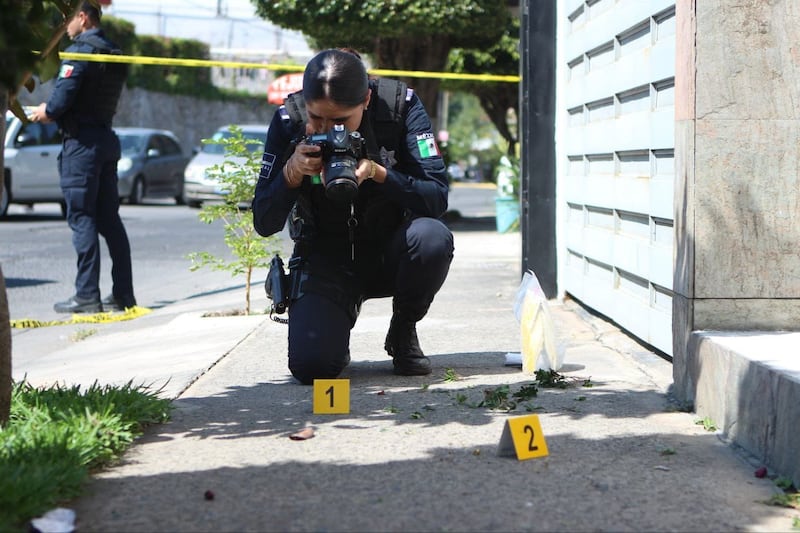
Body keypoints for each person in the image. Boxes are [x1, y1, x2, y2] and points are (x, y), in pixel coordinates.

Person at [253, 49, 454, 384]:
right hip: (325, 255)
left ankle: (403, 329)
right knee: (314, 368)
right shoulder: (289, 120)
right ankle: (332, 327)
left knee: (432, 237)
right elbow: (264, 222)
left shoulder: (400, 106)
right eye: (317, 119)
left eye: (341, 123)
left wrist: (380, 174)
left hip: (391, 250)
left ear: (366, 100)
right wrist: (290, 173)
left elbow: (437, 198)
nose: (329, 130)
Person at [29, 1, 136, 313]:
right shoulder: (115, 52)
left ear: (82, 17)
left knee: (82, 218)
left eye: (68, 21)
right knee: (110, 221)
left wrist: (43, 111)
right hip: (105, 139)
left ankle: (86, 295)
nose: (66, 28)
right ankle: (123, 296)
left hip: (81, 146)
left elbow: (59, 103)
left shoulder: (80, 52)